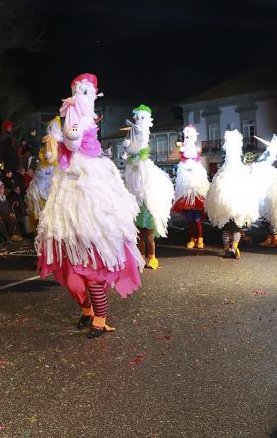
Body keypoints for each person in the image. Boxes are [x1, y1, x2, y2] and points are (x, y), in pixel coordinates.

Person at [35, 73, 144, 338]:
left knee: (93, 271)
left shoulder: (87, 131)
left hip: (92, 203)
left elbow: (73, 138)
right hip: (68, 199)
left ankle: (100, 320)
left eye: (83, 93)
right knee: (73, 279)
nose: (77, 97)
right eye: (76, 91)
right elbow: (64, 144)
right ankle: (87, 311)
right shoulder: (71, 118)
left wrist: (69, 137)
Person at [122, 105, 175, 269]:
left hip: (148, 206)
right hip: (137, 205)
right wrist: (128, 148)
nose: (138, 120)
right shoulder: (134, 135)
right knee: (139, 236)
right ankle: (140, 258)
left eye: (141, 118)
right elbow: (133, 148)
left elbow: (140, 144)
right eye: (137, 117)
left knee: (149, 237)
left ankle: (152, 257)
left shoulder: (146, 165)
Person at [205, 130, 260, 259]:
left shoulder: (224, 172)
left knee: (227, 227)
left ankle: (227, 249)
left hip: (225, 203)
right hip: (237, 204)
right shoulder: (240, 171)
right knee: (235, 227)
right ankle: (233, 248)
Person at [172, 125, 210, 249]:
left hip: (197, 197)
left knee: (197, 220)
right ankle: (192, 239)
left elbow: (202, 182)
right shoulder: (183, 162)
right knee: (190, 221)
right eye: (186, 136)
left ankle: (200, 239)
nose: (187, 138)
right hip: (186, 197)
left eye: (189, 136)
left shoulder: (196, 162)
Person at [250, 134, 277, 247]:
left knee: (267, 217)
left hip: (267, 192)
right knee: (268, 217)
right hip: (265, 190)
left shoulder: (270, 155)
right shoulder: (267, 157)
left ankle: (276, 238)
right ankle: (270, 239)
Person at [26, 118, 60, 232]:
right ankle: (42, 227)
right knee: (37, 194)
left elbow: (52, 157)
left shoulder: (56, 141)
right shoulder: (47, 140)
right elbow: (46, 156)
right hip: (45, 172)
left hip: (53, 172)